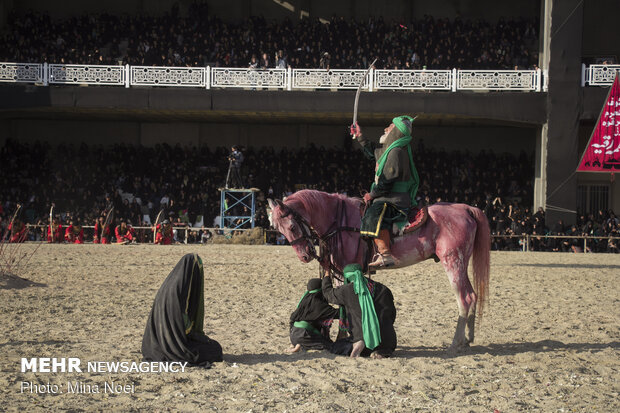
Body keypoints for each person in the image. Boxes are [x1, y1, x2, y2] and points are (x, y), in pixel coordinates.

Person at [350, 116, 420, 268]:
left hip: (394, 200)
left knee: (373, 214)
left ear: (395, 132)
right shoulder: (391, 150)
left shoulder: (395, 152)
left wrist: (372, 195)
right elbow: (373, 153)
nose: (385, 129)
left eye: (389, 127)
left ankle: (386, 255)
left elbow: (387, 182)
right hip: (388, 196)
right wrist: (360, 136)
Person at [142, 253, 223, 367]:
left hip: (154, 345)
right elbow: (183, 325)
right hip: (174, 346)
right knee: (215, 349)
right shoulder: (178, 292)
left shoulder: (169, 286)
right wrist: (203, 338)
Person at [322, 264, 397, 358]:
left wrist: (327, 274)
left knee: (335, 346)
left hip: (362, 341)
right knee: (383, 340)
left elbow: (327, 294)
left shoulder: (346, 290)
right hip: (388, 342)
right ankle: (381, 351)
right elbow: (392, 315)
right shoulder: (383, 289)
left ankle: (359, 344)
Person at [288, 278, 339, 353]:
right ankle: (302, 346)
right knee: (329, 346)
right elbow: (337, 314)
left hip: (294, 335)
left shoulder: (305, 300)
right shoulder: (318, 304)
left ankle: (297, 344)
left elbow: (292, 318)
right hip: (305, 335)